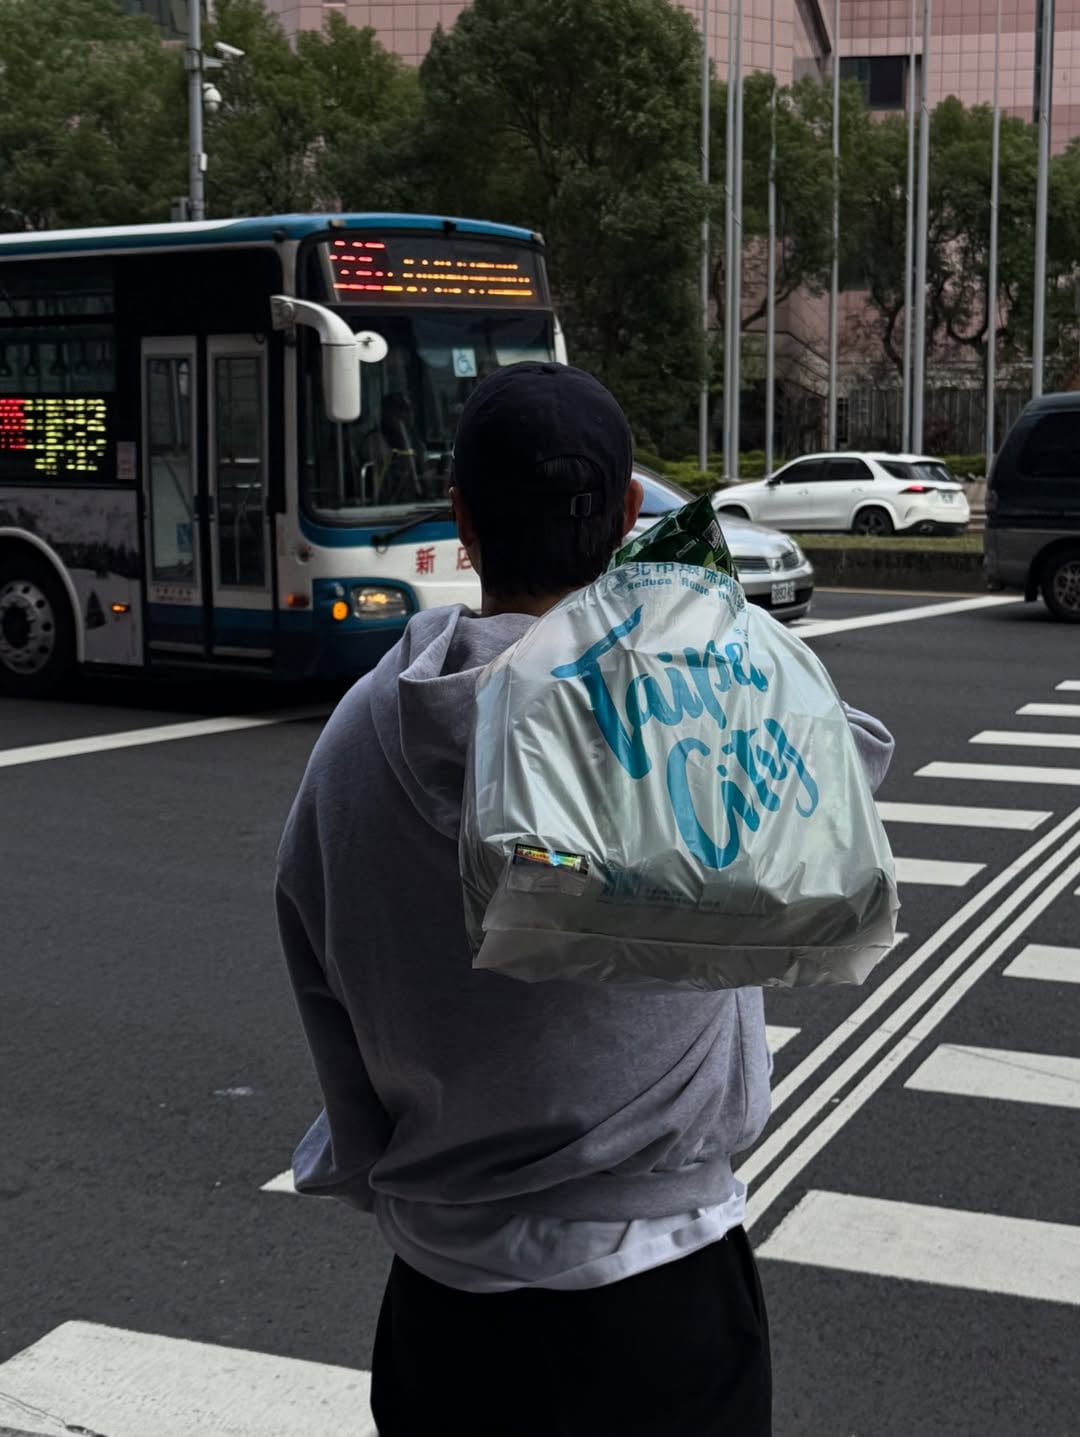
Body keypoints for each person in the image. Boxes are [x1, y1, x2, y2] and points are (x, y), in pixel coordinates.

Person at [276, 363, 895, 1437]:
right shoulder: (693, 705)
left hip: (449, 1309)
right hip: (671, 1301)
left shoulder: (353, 748)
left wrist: (392, 1181)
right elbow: (844, 793)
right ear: (624, 515)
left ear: (460, 519)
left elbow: (324, 983)